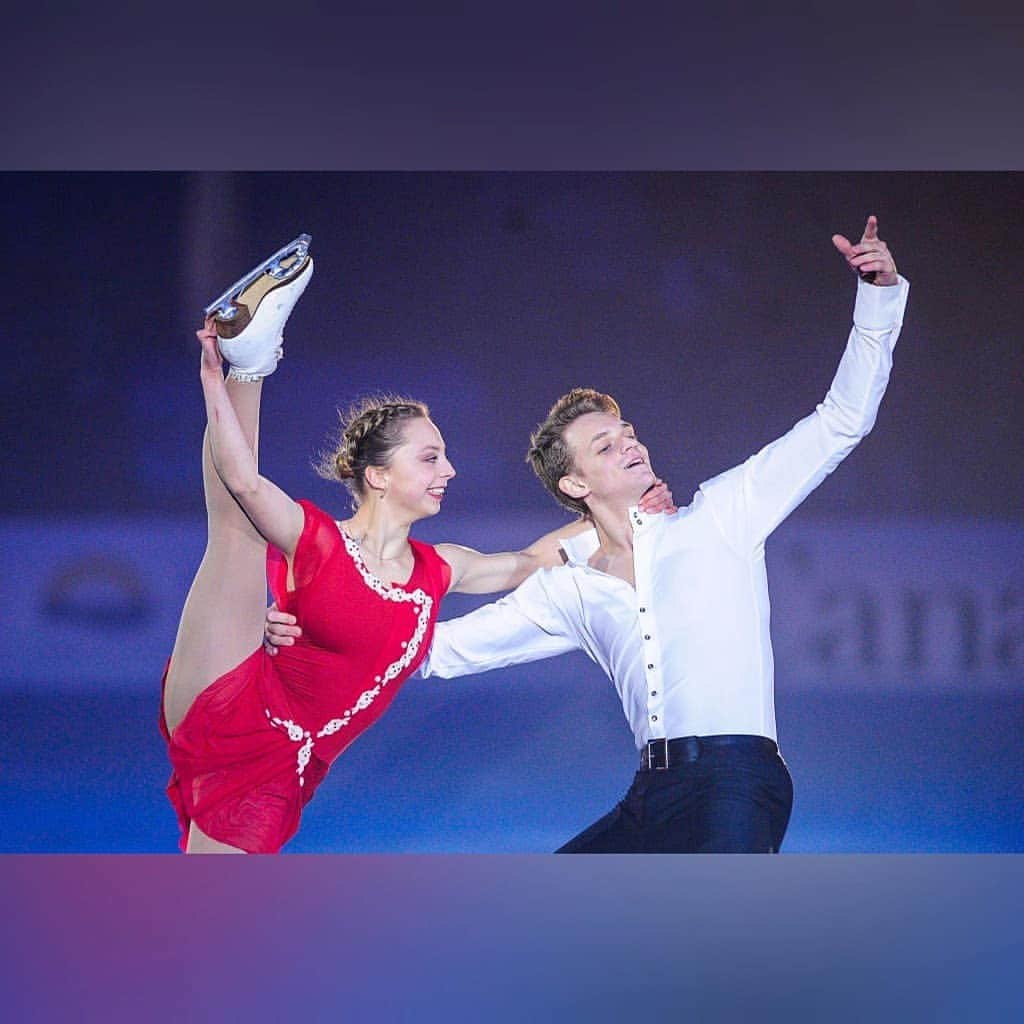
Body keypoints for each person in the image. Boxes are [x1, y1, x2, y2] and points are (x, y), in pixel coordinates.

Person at [266, 214, 910, 853]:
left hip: (738, 783)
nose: (631, 445)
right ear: (575, 484)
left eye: (629, 435)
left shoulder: (723, 517)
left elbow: (841, 421)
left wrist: (877, 299)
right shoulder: (569, 592)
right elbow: (427, 650)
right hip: (650, 797)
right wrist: (303, 631)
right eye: (606, 446)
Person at [160, 238, 676, 854]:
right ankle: (251, 360)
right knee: (239, 529)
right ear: (378, 476)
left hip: (285, 762)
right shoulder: (317, 539)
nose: (450, 470)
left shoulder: (441, 568)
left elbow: (533, 560)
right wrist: (216, 382)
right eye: (430, 457)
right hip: (232, 692)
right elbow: (241, 481)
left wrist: (619, 511)